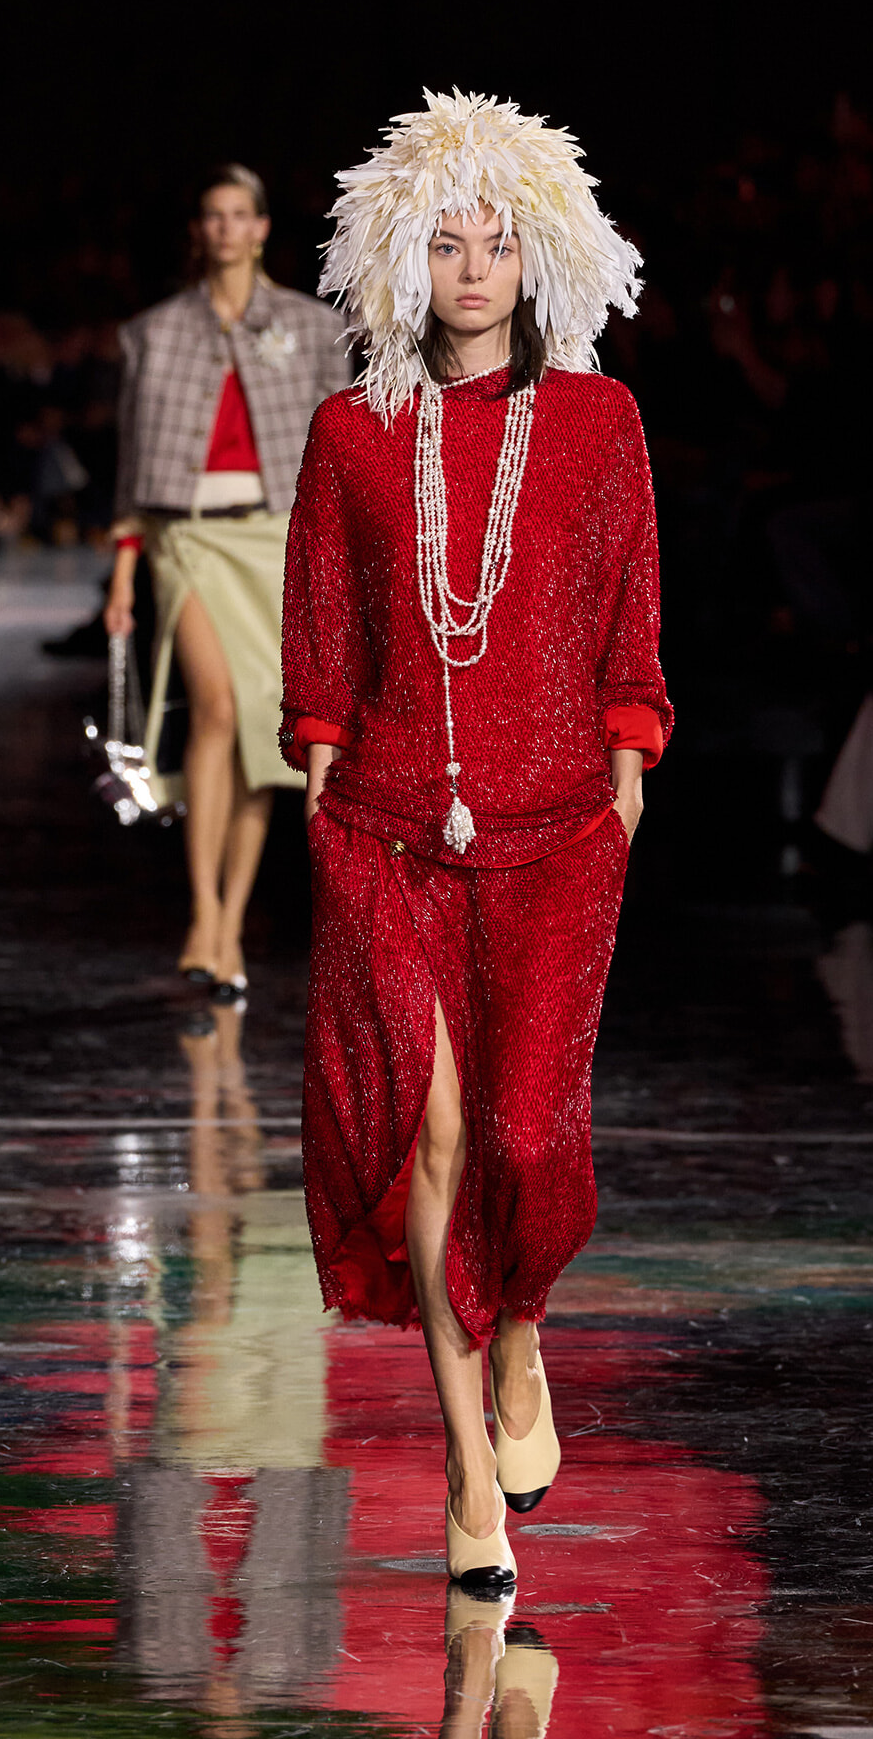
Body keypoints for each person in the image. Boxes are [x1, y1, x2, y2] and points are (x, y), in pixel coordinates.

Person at [281, 92, 671, 1593]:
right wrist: (318, 775)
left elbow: (629, 610)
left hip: (562, 825)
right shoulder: (355, 433)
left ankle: (519, 1338)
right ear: (400, 259)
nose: (471, 266)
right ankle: (465, 1471)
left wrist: (629, 771)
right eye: (442, 242)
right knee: (436, 1133)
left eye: (496, 240)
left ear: (539, 254)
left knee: (525, 1136)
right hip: (387, 829)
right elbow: (322, 622)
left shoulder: (599, 423)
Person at [105, 164, 349, 995]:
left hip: (277, 535)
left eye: (240, 214)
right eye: (212, 214)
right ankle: (202, 911)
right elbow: (133, 469)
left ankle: (231, 919)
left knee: (258, 732)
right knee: (214, 704)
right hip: (188, 538)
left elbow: (342, 451)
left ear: (261, 229)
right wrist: (123, 576)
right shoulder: (154, 332)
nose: (225, 228)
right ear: (199, 230)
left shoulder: (312, 327)